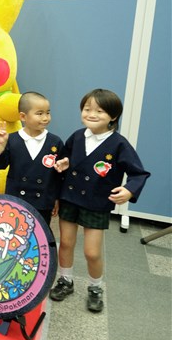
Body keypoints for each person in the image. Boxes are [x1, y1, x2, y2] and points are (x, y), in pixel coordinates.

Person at [49, 88, 150, 313]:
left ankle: (95, 288)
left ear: (113, 116)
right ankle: (66, 280)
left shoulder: (118, 144)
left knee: (92, 252)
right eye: (87, 109)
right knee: (65, 243)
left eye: (100, 111)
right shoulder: (76, 136)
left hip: (97, 202)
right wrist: (63, 163)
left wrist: (129, 191)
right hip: (70, 197)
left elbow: (138, 174)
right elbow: (63, 158)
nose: (92, 114)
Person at [0, 91, 64, 227]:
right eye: (39, 113)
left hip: (43, 200)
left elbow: (59, 175)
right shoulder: (12, 139)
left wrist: (56, 198)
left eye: (48, 112)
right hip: (16, 200)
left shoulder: (55, 142)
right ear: (23, 117)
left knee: (40, 234)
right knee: (15, 233)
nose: (45, 118)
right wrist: (1, 145)